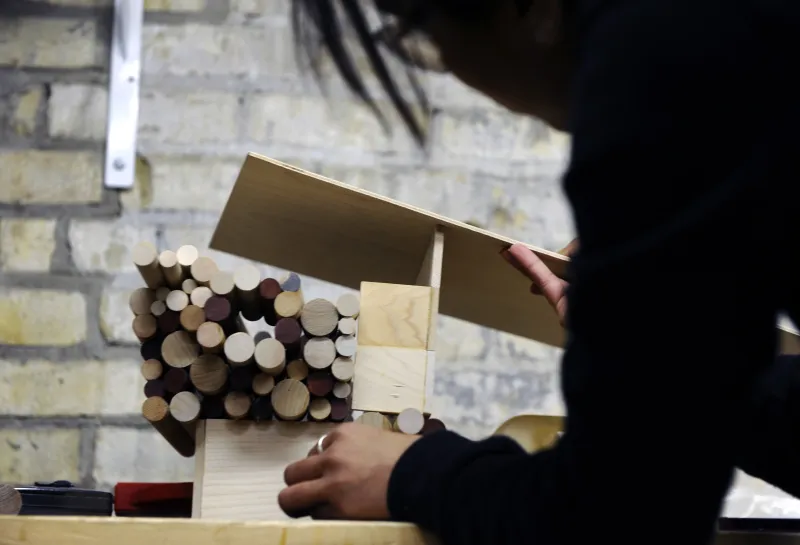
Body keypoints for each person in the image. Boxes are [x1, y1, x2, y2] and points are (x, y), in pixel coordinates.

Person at [278, 1, 800, 544]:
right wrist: (671, 360)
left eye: (427, 37)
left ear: (530, 11)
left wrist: (410, 473)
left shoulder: (660, 51)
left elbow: (622, 517)